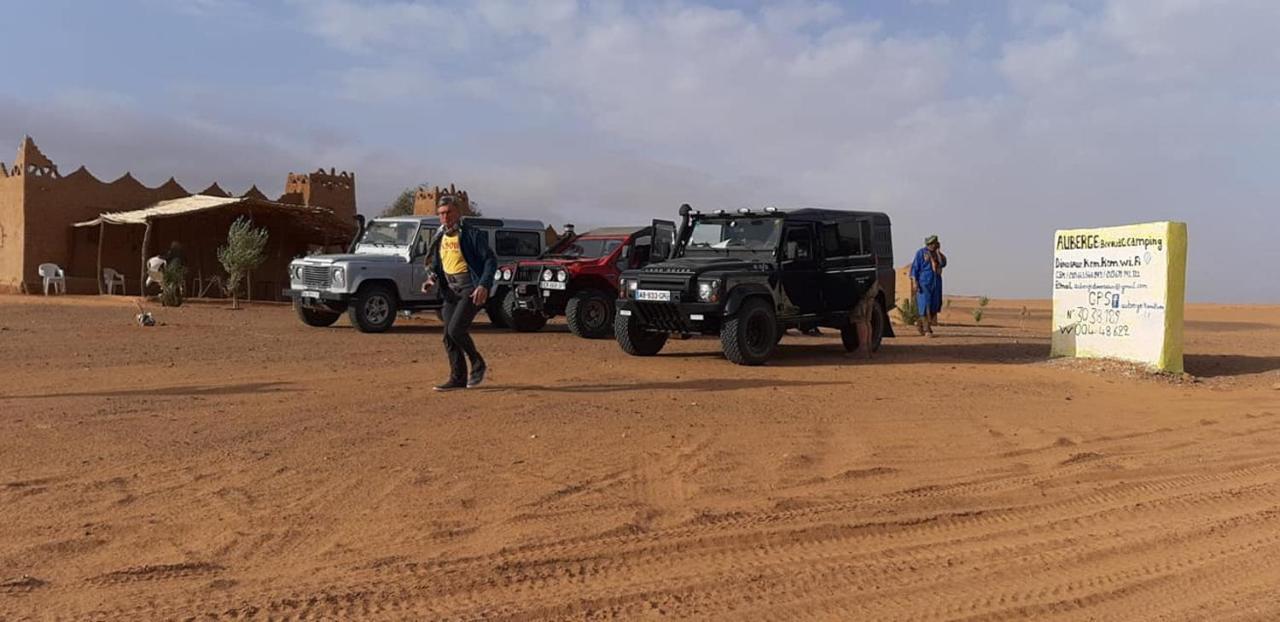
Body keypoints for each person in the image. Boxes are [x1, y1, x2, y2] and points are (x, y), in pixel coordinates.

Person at [422, 196, 497, 391]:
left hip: (470, 289)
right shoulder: (440, 236)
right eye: (441, 213)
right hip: (450, 291)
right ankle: (458, 379)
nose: (445, 217)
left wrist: (484, 285)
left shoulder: (471, 234)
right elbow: (438, 264)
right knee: (448, 336)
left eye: (448, 212)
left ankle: (478, 363)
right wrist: (432, 279)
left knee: (456, 330)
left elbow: (490, 260)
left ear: (458, 213)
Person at [910, 235, 947, 337]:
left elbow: (943, 263)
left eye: (934, 244)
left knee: (934, 306)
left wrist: (938, 252)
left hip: (936, 283)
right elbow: (914, 269)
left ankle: (921, 324)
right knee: (925, 304)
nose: (932, 246)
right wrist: (915, 282)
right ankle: (927, 330)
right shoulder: (921, 253)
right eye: (930, 244)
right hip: (924, 283)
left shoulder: (937, 254)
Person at [848, 280, 882, 358]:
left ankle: (863, 349)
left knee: (860, 320)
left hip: (863, 293)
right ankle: (868, 349)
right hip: (871, 291)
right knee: (867, 321)